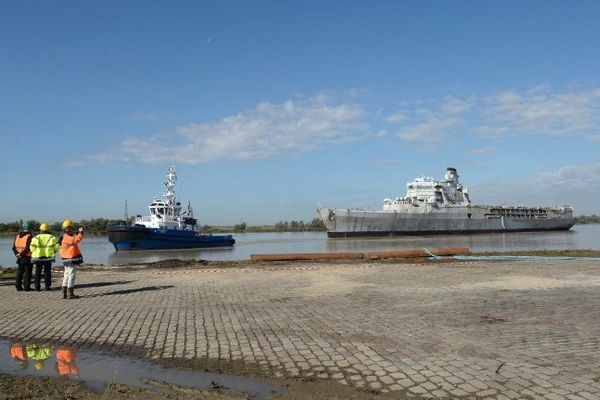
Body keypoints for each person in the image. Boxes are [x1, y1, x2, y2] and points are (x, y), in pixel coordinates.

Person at [30, 223, 60, 291]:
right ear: (47, 229)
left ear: (40, 230)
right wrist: (54, 251)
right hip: (48, 257)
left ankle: (37, 287)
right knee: (47, 272)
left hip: (37, 257)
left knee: (38, 272)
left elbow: (31, 248)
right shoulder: (52, 237)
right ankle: (47, 287)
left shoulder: (36, 237)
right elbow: (57, 247)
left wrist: (36, 251)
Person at [58, 219, 84, 299]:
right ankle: (70, 293)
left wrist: (77, 234)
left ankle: (64, 293)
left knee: (66, 275)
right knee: (71, 275)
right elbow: (76, 240)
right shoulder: (67, 237)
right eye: (71, 228)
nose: (72, 229)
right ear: (67, 228)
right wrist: (80, 233)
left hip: (66, 258)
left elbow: (73, 240)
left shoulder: (63, 236)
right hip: (70, 258)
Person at [12, 222, 34, 291]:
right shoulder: (29, 236)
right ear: (30, 229)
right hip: (27, 257)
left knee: (20, 272)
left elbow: (13, 247)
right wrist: (21, 254)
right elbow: (28, 248)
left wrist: (17, 254)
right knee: (27, 273)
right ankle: (27, 287)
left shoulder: (17, 236)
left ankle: (18, 286)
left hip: (19, 257)